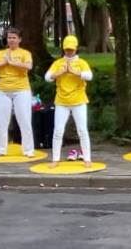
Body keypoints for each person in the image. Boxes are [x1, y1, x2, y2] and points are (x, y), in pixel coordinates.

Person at [0, 27, 35, 158]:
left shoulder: (25, 53)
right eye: (9, 37)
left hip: (21, 89)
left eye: (14, 38)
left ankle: (28, 150)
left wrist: (12, 63)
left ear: (19, 39)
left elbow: (29, 66)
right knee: (2, 121)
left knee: (24, 120)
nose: (11, 40)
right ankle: (1, 149)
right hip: (3, 90)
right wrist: (2, 63)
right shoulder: (0, 53)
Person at [45, 35, 93, 168]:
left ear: (76, 49)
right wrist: (59, 73)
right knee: (58, 131)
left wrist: (75, 72)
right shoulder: (58, 63)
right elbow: (47, 77)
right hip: (61, 101)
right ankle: (55, 159)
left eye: (71, 49)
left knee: (82, 130)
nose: (69, 52)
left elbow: (89, 76)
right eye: (67, 49)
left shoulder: (81, 63)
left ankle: (87, 159)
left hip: (79, 101)